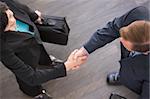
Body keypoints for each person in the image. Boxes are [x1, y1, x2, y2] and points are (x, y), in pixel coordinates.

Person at [0, 1, 87, 99]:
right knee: (26, 79)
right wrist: (67, 66)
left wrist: (34, 16)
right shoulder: (3, 50)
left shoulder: (3, 6)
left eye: (11, 14)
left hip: (32, 39)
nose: (14, 19)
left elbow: (16, 5)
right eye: (10, 20)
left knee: (39, 49)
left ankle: (46, 62)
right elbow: (30, 77)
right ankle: (34, 93)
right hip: (22, 55)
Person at [74, 6, 149, 99]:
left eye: (125, 41)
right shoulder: (139, 13)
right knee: (128, 72)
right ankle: (124, 77)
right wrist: (84, 50)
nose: (120, 39)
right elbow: (113, 28)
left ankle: (128, 79)